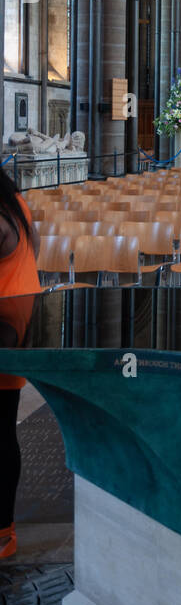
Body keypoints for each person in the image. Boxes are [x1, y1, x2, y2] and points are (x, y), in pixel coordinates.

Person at [0, 168, 41, 561]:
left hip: (5, 330)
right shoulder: (19, 207)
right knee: (3, 433)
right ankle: (5, 528)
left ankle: (4, 529)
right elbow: (36, 255)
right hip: (17, 325)